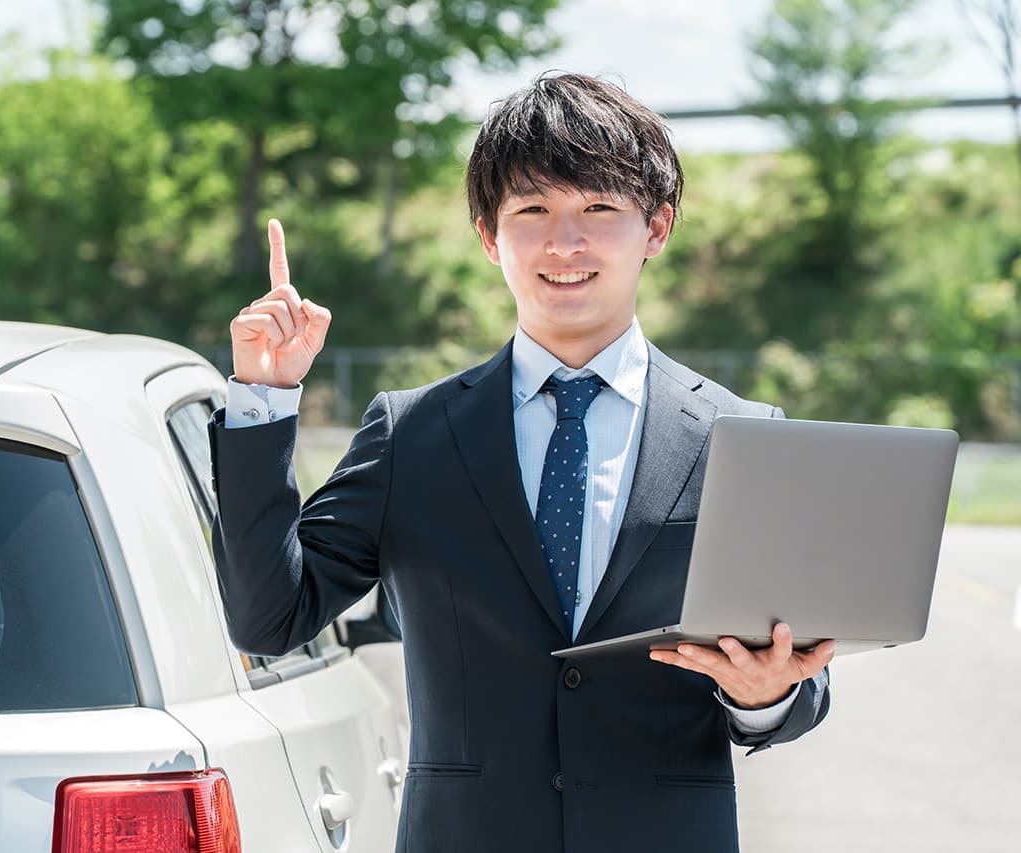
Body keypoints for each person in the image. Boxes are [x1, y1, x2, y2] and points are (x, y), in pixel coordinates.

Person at [208, 72, 833, 853]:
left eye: (598, 208)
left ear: (657, 227)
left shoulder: (739, 436)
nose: (564, 243)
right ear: (488, 235)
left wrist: (766, 694)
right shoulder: (412, 435)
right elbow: (270, 619)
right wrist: (263, 400)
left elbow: (802, 685)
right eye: (532, 210)